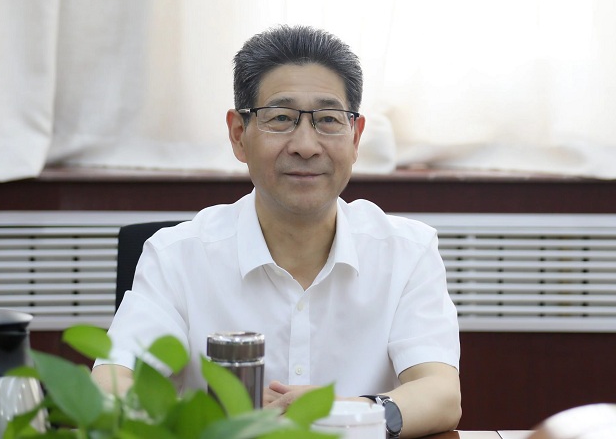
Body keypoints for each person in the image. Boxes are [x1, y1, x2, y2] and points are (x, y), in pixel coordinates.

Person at [92, 25, 461, 438]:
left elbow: (441, 394)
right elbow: (111, 383)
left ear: (356, 138)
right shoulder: (177, 256)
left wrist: (340, 414)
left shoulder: (408, 252)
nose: (306, 145)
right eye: (281, 118)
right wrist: (221, 423)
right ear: (239, 135)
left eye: (328, 120)